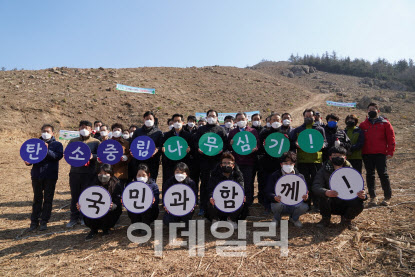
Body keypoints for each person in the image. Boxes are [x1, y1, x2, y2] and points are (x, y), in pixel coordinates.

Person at [312, 146, 367, 230]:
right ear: (330, 157)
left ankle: (347, 219)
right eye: (334, 155)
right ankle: (325, 219)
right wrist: (326, 192)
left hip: (347, 201)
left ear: (345, 158)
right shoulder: (323, 170)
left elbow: (361, 188)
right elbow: (316, 186)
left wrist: (363, 195)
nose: (337, 157)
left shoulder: (352, 171)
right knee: (322, 196)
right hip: (331, 201)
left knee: (359, 203)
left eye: (340, 155)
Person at [25, 124, 63, 231]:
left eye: (48, 131)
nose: (45, 133)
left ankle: (44, 221)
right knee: (37, 199)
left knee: (48, 199)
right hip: (37, 175)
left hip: (50, 176)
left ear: (52, 133)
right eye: (43, 131)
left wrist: (46, 150)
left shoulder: (57, 144)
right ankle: (34, 221)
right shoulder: (35, 144)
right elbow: (30, 157)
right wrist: (27, 162)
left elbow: (57, 156)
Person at [290, 109, 327, 210]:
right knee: (305, 182)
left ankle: (317, 204)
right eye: (306, 116)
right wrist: (296, 144)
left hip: (316, 160)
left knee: (316, 182)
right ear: (303, 117)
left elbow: (325, 142)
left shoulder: (320, 129)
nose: (308, 118)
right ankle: (306, 204)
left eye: (310, 116)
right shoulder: (298, 130)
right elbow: (291, 142)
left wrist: (323, 145)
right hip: (303, 160)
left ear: (314, 117)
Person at [359, 103, 395, 206]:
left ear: (378, 111)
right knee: (370, 175)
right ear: (367, 111)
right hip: (367, 154)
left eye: (374, 109)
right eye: (370, 109)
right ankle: (373, 197)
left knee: (383, 175)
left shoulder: (385, 123)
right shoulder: (363, 125)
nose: (372, 111)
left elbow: (391, 138)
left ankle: (387, 197)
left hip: (380, 153)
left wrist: (390, 151)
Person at [193, 110, 228, 216]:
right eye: (209, 116)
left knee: (218, 183)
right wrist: (198, 148)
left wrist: (223, 149)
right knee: (204, 184)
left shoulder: (221, 130)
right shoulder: (201, 129)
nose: (211, 117)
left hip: (217, 162)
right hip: (204, 162)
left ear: (217, 118)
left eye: (213, 116)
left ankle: (219, 206)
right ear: (206, 117)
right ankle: (203, 207)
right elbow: (195, 142)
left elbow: (226, 144)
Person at [67, 120, 100, 228]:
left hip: (89, 173)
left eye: (86, 128)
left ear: (91, 130)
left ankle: (84, 217)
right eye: (81, 127)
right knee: (75, 196)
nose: (83, 130)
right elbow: (68, 154)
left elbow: (100, 157)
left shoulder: (96, 142)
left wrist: (92, 157)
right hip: (75, 173)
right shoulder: (73, 141)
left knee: (86, 195)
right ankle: (73, 218)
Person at [79, 164, 123, 240]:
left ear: (111, 175)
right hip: (94, 208)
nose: (103, 176)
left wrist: (113, 206)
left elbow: (118, 201)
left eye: (105, 174)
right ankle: (93, 229)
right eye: (100, 173)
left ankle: (106, 229)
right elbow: (85, 197)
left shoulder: (116, 184)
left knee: (114, 210)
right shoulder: (91, 183)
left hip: (109, 211)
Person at [265, 151, 308, 228]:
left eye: (291, 163)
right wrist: (274, 197)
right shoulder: (275, 176)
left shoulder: (300, 177)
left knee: (304, 207)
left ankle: (294, 218)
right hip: (280, 203)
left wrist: (305, 196)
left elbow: (304, 191)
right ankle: (276, 218)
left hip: (294, 204)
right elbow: (268, 191)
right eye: (285, 163)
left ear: (294, 164)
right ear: (281, 164)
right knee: (277, 205)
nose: (288, 166)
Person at [206, 152, 247, 230]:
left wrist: (242, 196)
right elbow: (210, 189)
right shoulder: (214, 175)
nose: (226, 165)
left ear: (233, 165)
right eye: (224, 163)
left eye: (229, 163)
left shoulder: (238, 175)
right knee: (209, 202)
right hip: (219, 202)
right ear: (221, 165)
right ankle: (215, 219)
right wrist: (211, 197)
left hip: (232, 202)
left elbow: (241, 188)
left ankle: (232, 219)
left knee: (242, 201)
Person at [228, 112, 259, 207]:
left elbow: (258, 144)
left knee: (248, 182)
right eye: (238, 119)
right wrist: (230, 144)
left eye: (243, 119)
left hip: (249, 161)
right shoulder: (233, 132)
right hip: (237, 161)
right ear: (236, 121)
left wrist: (255, 148)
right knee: (237, 181)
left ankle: (248, 202)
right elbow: (228, 147)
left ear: (246, 120)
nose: (241, 121)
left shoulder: (253, 131)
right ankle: (237, 200)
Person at [258, 113, 284, 212]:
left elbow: (288, 149)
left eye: (278, 120)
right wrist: (263, 146)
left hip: (279, 164)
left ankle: (281, 205)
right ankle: (267, 206)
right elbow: (259, 150)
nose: (276, 122)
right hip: (267, 164)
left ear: (281, 121)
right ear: (270, 122)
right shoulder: (264, 133)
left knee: (279, 185)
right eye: (273, 120)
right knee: (267, 185)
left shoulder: (284, 134)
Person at [131, 111, 164, 182]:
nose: (148, 120)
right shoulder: (138, 132)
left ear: (154, 120)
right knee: (138, 179)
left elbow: (161, 146)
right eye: (147, 119)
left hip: (152, 161)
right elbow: (132, 144)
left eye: (150, 119)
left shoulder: (158, 132)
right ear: (143, 119)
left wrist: (157, 150)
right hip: (138, 160)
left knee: (151, 180)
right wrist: (132, 151)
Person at [126, 163, 159, 231]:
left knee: (147, 210)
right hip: (136, 209)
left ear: (148, 175)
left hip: (149, 210)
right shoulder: (131, 186)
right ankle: (136, 224)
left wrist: (153, 200)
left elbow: (157, 200)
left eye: (143, 175)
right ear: (136, 176)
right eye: (139, 175)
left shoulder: (153, 185)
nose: (141, 177)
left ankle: (146, 225)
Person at [161, 114, 192, 185]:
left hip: (184, 162)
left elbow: (193, 148)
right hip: (170, 163)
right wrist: (162, 149)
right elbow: (161, 146)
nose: (177, 123)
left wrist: (190, 149)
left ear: (183, 123)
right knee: (169, 182)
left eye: (179, 121)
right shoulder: (166, 135)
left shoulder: (188, 135)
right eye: (175, 121)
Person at [106, 123, 131, 188]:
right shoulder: (107, 143)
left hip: (121, 172)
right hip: (109, 171)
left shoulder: (126, 143)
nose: (116, 131)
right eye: (114, 130)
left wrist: (127, 157)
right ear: (112, 132)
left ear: (121, 132)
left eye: (118, 130)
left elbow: (130, 154)